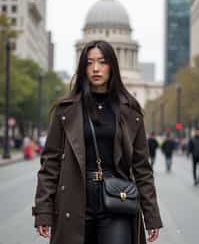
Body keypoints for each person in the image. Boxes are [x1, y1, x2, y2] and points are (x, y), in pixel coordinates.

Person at [32, 40, 163, 244]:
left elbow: (142, 168)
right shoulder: (65, 110)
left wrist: (151, 215)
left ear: (112, 65)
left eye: (102, 62)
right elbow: (50, 164)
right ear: (82, 67)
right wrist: (43, 211)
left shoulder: (130, 111)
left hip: (116, 198)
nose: (95, 68)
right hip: (75, 198)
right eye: (89, 62)